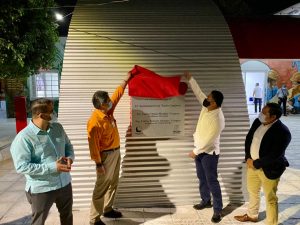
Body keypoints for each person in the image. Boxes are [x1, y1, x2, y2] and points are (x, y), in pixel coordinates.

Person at [10, 98, 74, 225]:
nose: (54, 113)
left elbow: (68, 146)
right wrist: (53, 167)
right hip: (42, 188)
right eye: (51, 111)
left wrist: (70, 158)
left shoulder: (58, 128)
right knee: (38, 222)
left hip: (64, 183)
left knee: (67, 216)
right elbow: (21, 166)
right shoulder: (24, 137)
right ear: (41, 115)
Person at [234, 103, 291, 225]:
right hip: (252, 165)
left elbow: (275, 154)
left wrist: (256, 163)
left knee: (270, 198)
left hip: (270, 169)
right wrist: (248, 158)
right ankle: (252, 215)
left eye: (264, 113)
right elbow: (249, 139)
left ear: (273, 117)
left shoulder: (283, 132)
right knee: (253, 192)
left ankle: (271, 223)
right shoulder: (257, 122)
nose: (261, 114)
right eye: (261, 111)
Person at [87, 72, 132, 225]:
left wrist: (126, 80)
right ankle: (94, 219)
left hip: (116, 152)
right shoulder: (95, 122)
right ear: (101, 105)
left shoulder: (107, 111)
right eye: (107, 101)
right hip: (105, 157)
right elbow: (93, 147)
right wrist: (99, 165)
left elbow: (117, 95)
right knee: (101, 187)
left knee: (113, 182)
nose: (110, 102)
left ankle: (108, 209)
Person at [184, 72, 225, 223]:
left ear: (214, 103)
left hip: (209, 154)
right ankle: (206, 200)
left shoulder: (219, 119)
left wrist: (195, 151)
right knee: (202, 178)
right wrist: (190, 79)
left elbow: (209, 140)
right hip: (200, 151)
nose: (206, 99)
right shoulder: (206, 106)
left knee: (212, 181)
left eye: (209, 98)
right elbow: (198, 93)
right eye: (207, 97)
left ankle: (218, 210)